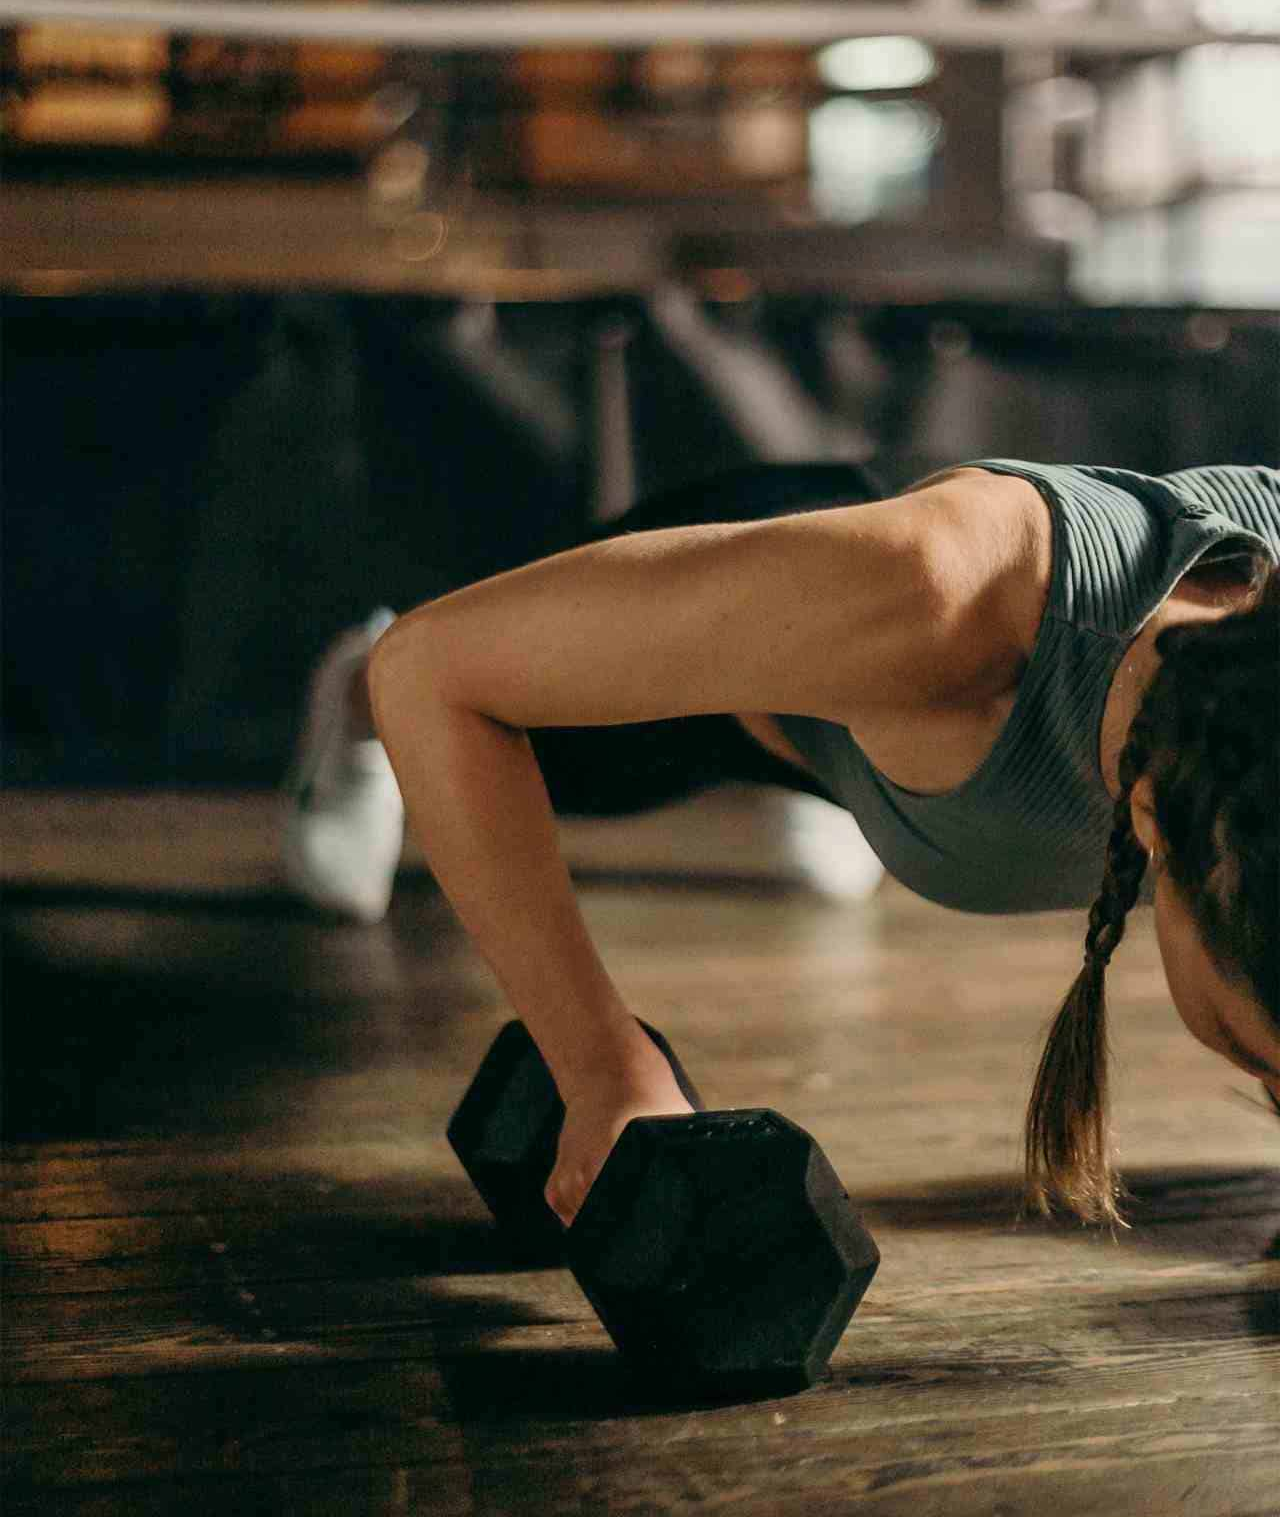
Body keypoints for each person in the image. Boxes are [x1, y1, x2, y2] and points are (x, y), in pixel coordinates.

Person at [283, 458, 1280, 1231]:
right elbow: (435, 673)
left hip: (890, 666)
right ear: (1153, 823)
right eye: (1261, 1064)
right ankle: (345, 690)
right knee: (452, 680)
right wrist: (601, 1069)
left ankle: (849, 771)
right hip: (815, 594)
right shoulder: (944, 605)